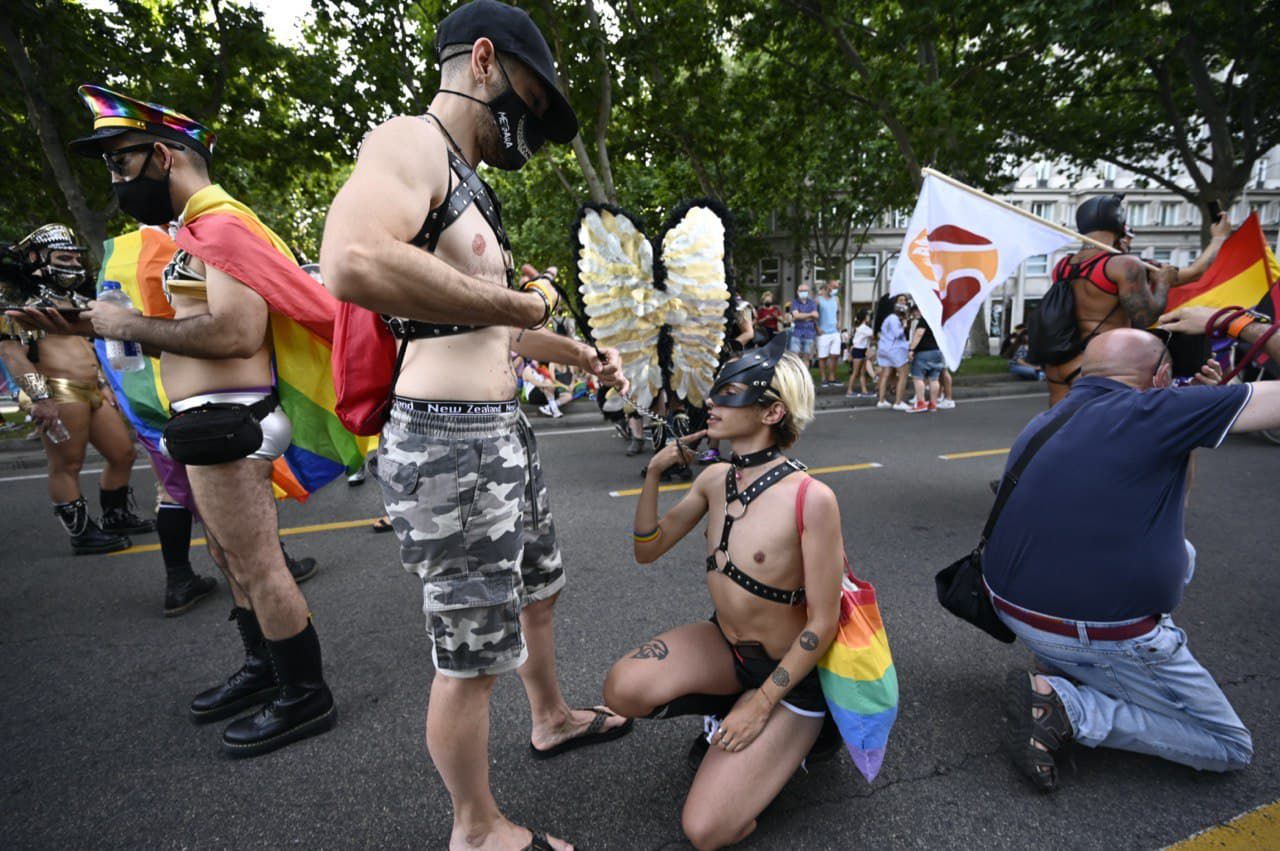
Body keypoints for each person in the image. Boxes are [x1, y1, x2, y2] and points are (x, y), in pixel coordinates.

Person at [320, 4, 632, 849]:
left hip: (500, 435)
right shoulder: (411, 142)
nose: (533, 120)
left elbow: (490, 326)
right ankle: (477, 828)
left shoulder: (471, 188)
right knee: (470, 654)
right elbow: (350, 257)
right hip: (449, 446)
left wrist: (575, 352)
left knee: (539, 587)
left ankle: (552, 716)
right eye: (534, 96)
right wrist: (521, 303)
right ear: (485, 61)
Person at [20, 84, 341, 756]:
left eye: (121, 162)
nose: (116, 179)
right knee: (229, 557)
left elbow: (236, 331)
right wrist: (90, 324)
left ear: (163, 157)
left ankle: (304, 693)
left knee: (258, 563)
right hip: (208, 419)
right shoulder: (197, 232)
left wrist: (125, 324)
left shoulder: (220, 227)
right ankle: (264, 667)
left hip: (231, 420)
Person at [983, 328, 1280, 791]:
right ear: (1162, 376)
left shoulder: (1052, 417)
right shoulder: (1155, 410)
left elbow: (1171, 505)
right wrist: (1243, 327)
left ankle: (1065, 665)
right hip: (1082, 629)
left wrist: (1194, 418)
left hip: (1010, 606)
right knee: (1228, 745)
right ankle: (1066, 706)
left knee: (1183, 552)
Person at [602, 334, 843, 850]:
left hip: (791, 679)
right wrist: (655, 471)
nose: (712, 401)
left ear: (772, 412)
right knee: (622, 691)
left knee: (707, 831)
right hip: (729, 649)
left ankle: (806, 738)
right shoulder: (714, 478)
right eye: (716, 390)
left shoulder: (812, 498)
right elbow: (647, 549)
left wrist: (762, 705)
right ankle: (732, 711)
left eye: (730, 394)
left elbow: (824, 622)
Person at [0, 226, 155, 556]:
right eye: (64, 257)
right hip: (59, 392)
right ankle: (82, 533)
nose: (73, 264)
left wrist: (102, 384)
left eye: (75, 258)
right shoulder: (18, 302)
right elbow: (12, 355)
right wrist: (40, 398)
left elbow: (87, 346)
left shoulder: (73, 299)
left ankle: (115, 516)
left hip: (92, 391)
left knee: (123, 454)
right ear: (35, 257)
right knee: (67, 465)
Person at [1042, 195, 1229, 405]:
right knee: (1111, 424)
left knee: (1059, 422)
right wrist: (1218, 238)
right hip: (1103, 363)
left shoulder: (1064, 265)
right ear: (1120, 224)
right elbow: (1146, 316)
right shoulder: (1125, 264)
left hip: (1060, 362)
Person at [875, 295, 911, 410]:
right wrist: (904, 325)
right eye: (900, 301)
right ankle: (898, 402)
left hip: (884, 348)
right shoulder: (894, 318)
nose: (903, 303)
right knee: (903, 374)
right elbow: (897, 334)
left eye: (904, 301)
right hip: (895, 349)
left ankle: (881, 400)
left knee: (885, 374)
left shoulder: (887, 318)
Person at [905, 313, 944, 412]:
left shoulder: (925, 319)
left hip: (923, 352)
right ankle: (933, 403)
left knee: (918, 378)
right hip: (937, 351)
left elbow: (919, 333)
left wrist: (911, 349)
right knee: (934, 379)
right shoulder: (938, 319)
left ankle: (921, 403)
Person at [815, 280, 841, 387]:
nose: (835, 290)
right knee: (823, 357)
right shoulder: (818, 300)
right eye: (834, 287)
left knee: (835, 355)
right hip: (823, 333)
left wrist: (839, 322)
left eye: (837, 288)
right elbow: (814, 315)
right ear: (827, 286)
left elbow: (839, 311)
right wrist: (817, 327)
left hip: (835, 332)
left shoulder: (836, 299)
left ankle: (832, 377)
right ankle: (823, 378)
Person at [787, 285, 818, 366]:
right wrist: (810, 315)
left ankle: (805, 373)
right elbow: (796, 315)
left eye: (805, 290)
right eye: (801, 291)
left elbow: (816, 315)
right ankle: (795, 373)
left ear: (808, 292)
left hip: (809, 333)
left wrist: (801, 315)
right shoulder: (794, 303)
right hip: (797, 333)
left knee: (806, 357)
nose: (803, 292)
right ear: (798, 292)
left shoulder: (812, 303)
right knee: (794, 358)